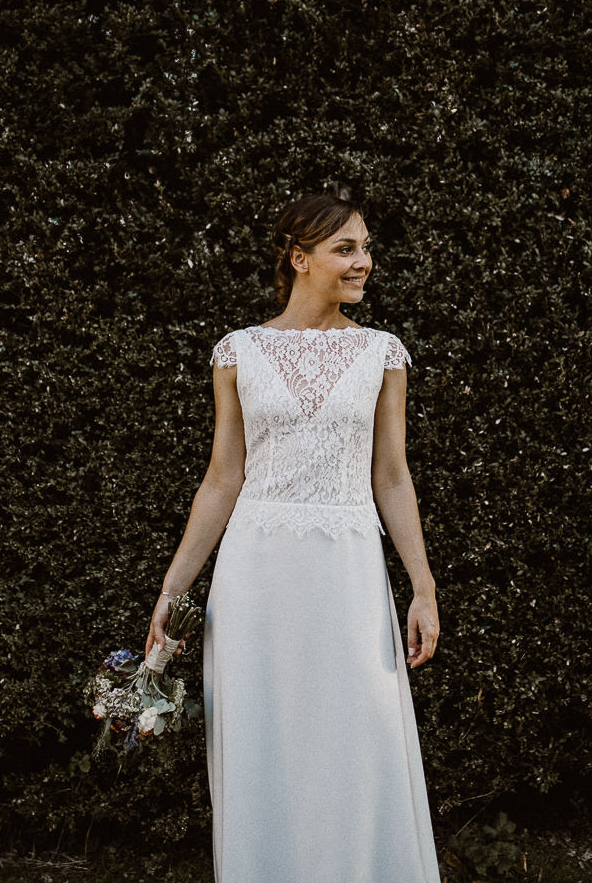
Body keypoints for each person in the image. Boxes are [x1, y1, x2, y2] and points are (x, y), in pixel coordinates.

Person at [145, 192, 441, 882]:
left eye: (366, 248)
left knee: (356, 741)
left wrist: (422, 587)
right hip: (256, 574)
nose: (364, 262)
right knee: (264, 744)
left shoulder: (382, 353)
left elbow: (392, 477)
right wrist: (173, 589)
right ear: (298, 258)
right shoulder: (238, 351)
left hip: (348, 572)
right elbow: (223, 478)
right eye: (346, 249)